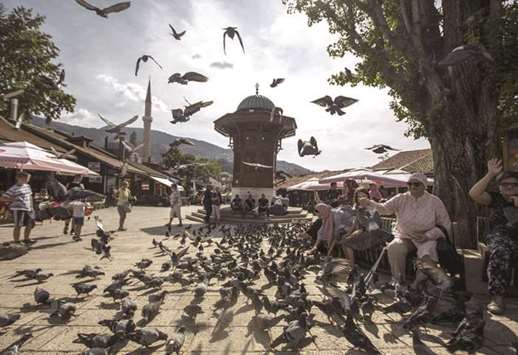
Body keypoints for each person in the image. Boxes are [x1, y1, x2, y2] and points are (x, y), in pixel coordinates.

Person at [358, 172, 451, 285]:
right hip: (405, 236)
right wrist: (369, 202)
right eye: (409, 184)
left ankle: (418, 284)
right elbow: (385, 209)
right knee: (394, 248)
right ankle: (398, 281)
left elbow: (445, 224)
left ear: (424, 186)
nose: (412, 187)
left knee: (427, 253)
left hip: (427, 238)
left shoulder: (435, 201)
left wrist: (428, 235)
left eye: (416, 184)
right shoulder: (401, 198)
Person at [469, 159, 518, 314]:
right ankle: (497, 297)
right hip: (501, 237)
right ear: (500, 187)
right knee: (501, 250)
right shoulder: (495, 199)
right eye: (505, 184)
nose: (509, 187)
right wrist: (490, 174)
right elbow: (474, 193)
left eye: (514, 184)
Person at [328, 187, 390, 264]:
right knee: (343, 241)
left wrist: (361, 230)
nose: (361, 198)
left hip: (375, 234)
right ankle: (351, 265)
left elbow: (374, 226)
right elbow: (355, 223)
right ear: (356, 199)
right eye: (359, 197)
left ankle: (352, 267)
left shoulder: (371, 208)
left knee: (346, 243)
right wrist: (348, 234)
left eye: (363, 196)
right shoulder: (358, 209)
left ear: (368, 197)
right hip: (365, 233)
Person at [0, 171, 36, 245]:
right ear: (19, 178)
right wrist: (12, 199)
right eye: (26, 178)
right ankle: (17, 241)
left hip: (28, 208)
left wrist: (32, 207)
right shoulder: (13, 188)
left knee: (29, 224)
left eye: (28, 178)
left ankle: (27, 239)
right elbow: (2, 198)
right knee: (18, 225)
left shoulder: (27, 186)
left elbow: (30, 197)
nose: (27, 180)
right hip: (18, 209)